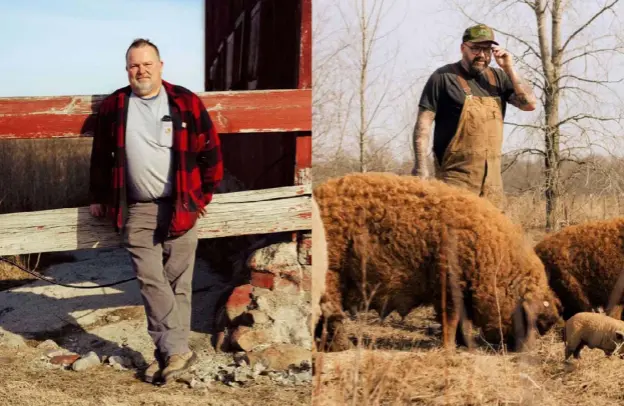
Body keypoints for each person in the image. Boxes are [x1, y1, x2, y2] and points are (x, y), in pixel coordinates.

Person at [88, 38, 224, 385]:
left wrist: (201, 196)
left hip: (180, 205)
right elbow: (101, 159)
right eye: (134, 65)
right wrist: (98, 195)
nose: (141, 70)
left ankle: (166, 355)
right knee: (151, 279)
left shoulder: (185, 102)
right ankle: (178, 351)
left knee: (179, 281)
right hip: (138, 207)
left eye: (147, 63)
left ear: (161, 66)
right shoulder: (116, 106)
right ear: (127, 70)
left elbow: (211, 152)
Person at [412, 24, 537, 209]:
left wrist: (509, 68)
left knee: (493, 237)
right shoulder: (443, 78)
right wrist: (420, 168)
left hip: (492, 185)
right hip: (455, 182)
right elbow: (423, 127)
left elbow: (529, 104)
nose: (482, 55)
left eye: (486, 49)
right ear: (463, 48)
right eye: (476, 48)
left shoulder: (499, 78)